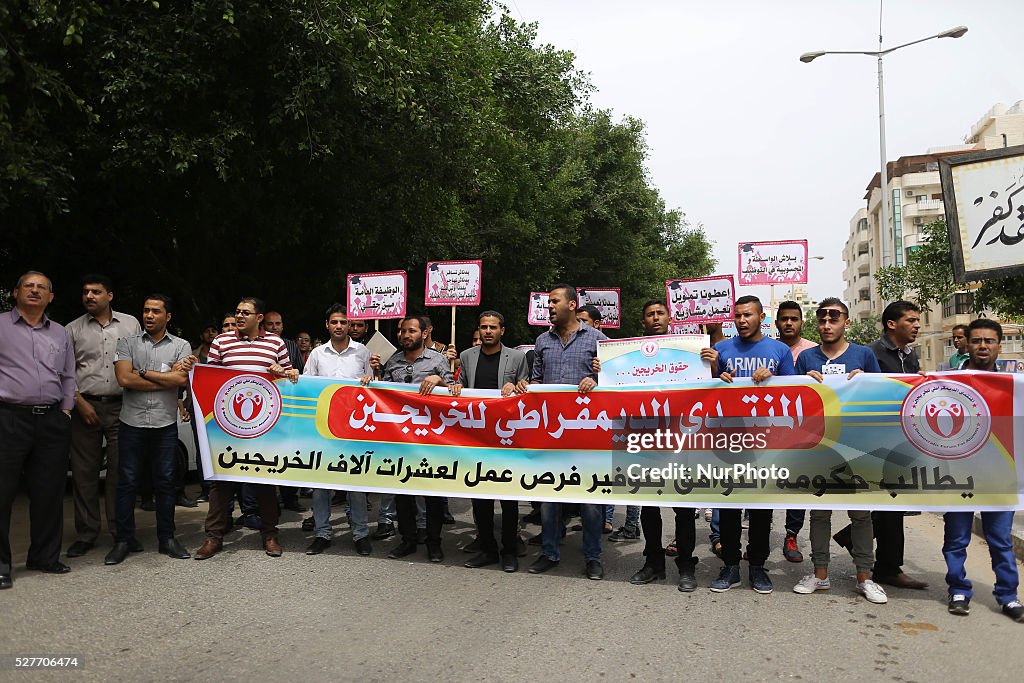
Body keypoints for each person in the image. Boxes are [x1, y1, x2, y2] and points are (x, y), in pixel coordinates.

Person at [790, 298, 886, 604]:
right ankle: (820, 574)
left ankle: (865, 577)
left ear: (846, 322)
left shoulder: (864, 355)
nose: (827, 324)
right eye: (822, 319)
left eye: (834, 318)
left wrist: (866, 383)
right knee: (819, 514)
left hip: (857, 447)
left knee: (861, 515)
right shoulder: (806, 358)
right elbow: (792, 401)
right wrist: (803, 384)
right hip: (820, 448)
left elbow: (880, 398)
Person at [193, 297, 299, 560]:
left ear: (259, 318)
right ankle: (214, 537)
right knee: (222, 480)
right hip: (227, 424)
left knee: (264, 478)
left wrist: (282, 371)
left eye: (245, 313)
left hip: (265, 424)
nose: (239, 317)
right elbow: (210, 378)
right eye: (238, 312)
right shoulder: (221, 342)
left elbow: (291, 376)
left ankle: (270, 534)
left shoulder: (276, 343)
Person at [704, 294, 794, 594]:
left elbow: (794, 393)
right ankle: (730, 565)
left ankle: (757, 566)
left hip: (764, 442)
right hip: (727, 439)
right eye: (738, 316)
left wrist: (774, 377)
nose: (742, 321)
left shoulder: (779, 350)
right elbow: (704, 391)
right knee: (728, 505)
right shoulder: (721, 349)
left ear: (761, 318)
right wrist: (717, 374)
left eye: (748, 315)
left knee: (760, 509)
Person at [522, 284, 608, 580]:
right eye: (548, 302)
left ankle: (593, 557)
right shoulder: (542, 341)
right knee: (549, 496)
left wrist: (599, 379)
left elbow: (616, 381)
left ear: (572, 305)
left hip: (587, 434)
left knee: (591, 501)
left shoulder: (599, 339)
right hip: (551, 432)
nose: (550, 306)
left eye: (555, 301)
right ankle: (549, 552)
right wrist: (524, 387)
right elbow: (536, 383)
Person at [942, 319, 1023, 622]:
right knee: (956, 537)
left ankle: (1008, 596)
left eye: (989, 341)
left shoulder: (1015, 386)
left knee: (1000, 539)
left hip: (999, 477)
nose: (983, 346)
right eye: (976, 341)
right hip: (958, 474)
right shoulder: (948, 383)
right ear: (966, 345)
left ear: (999, 346)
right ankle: (958, 590)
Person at [0, 271, 76, 589]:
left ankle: (44, 556)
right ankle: (2, 565)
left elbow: (69, 374)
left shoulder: (59, 333)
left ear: (50, 297)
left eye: (41, 287)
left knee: (49, 492)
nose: (34, 291)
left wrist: (67, 410)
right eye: (28, 286)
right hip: (8, 417)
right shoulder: (2, 325)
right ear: (15, 292)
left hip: (52, 420)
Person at [105, 295, 195, 564]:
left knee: (166, 483)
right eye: (146, 310)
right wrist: (163, 379)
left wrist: (141, 373)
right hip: (131, 423)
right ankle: (123, 540)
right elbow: (123, 378)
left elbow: (181, 379)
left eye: (156, 311)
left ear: (167, 316)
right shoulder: (127, 343)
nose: (149, 315)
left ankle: (167, 538)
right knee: (127, 482)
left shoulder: (181, 345)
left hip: (164, 425)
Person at [362, 315, 455, 562]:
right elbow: (384, 396)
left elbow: (456, 390)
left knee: (433, 495)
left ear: (424, 334)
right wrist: (374, 375)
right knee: (403, 493)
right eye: (403, 331)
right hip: (401, 439)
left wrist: (439, 380)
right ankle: (408, 540)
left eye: (411, 331)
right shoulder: (393, 361)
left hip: (431, 439)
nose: (405, 335)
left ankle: (434, 542)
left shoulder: (438, 360)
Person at [64, 274, 142, 559]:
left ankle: (121, 532)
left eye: (96, 292)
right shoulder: (71, 329)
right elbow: (64, 371)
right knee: (84, 473)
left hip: (124, 406)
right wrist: (78, 401)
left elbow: (140, 361)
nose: (89, 296)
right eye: (85, 292)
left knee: (121, 472)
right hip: (86, 406)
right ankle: (86, 533)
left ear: (110, 296)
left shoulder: (131, 324)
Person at [853, 300, 929, 590]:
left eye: (917, 320)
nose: (917, 325)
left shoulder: (910, 357)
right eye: (911, 320)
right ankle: (888, 567)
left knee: (894, 505)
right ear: (891, 324)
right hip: (873, 442)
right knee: (887, 505)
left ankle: (881, 560)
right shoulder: (870, 354)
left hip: (901, 441)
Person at [628, 300, 701, 592]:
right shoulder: (629, 355)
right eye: (650, 315)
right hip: (645, 438)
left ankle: (686, 564)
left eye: (660, 313)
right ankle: (653, 562)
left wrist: (712, 362)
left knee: (683, 507)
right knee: (648, 506)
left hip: (682, 437)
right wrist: (601, 369)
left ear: (670, 318)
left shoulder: (687, 352)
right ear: (643, 321)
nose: (655, 318)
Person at [452, 311, 530, 572]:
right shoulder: (466, 356)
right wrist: (456, 388)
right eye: (484, 327)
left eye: (493, 327)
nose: (487, 331)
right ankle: (487, 549)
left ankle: (509, 550)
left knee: (508, 498)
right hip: (476, 438)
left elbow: (527, 387)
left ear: (502, 331)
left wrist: (519, 385)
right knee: (480, 497)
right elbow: (460, 386)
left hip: (506, 438)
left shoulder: (517, 357)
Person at [303, 304, 373, 557]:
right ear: (327, 325)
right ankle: (322, 533)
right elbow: (306, 387)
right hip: (323, 429)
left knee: (355, 483)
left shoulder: (362, 352)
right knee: (321, 485)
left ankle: (360, 534)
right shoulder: (317, 354)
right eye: (335, 322)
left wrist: (369, 380)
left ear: (349, 325)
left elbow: (371, 388)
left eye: (344, 322)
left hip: (353, 429)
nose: (340, 326)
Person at [775, 300, 816, 564]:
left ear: (801, 322)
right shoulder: (767, 349)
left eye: (794, 319)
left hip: (801, 430)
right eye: (784, 319)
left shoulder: (813, 352)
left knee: (797, 485)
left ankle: (792, 535)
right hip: (766, 428)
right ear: (776, 322)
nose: (789, 323)